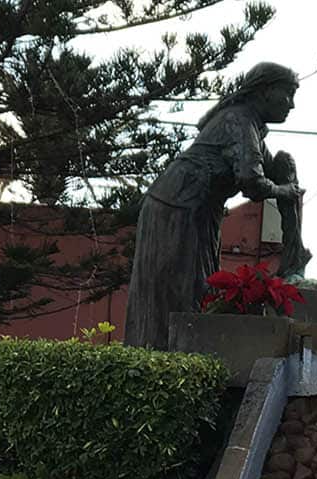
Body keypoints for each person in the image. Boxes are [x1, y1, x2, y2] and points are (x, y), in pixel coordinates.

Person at [124, 62, 303, 349]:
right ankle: (158, 357)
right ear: (266, 91)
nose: (292, 105)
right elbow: (252, 181)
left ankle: (172, 358)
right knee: (177, 293)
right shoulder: (238, 121)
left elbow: (268, 168)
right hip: (177, 206)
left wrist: (285, 171)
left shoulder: (251, 126)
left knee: (198, 289)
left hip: (195, 210)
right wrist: (285, 190)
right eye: (288, 94)